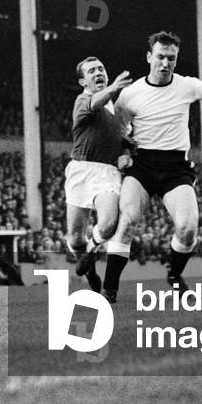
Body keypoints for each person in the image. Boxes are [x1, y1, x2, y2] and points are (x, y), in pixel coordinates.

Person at [98, 31, 202, 303]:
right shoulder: (129, 95)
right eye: (160, 56)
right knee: (127, 220)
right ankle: (110, 289)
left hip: (175, 167)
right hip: (141, 165)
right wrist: (123, 154)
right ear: (149, 57)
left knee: (187, 227)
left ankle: (174, 275)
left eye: (171, 58)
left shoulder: (187, 85)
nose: (165, 63)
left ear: (176, 60)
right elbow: (118, 132)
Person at [65, 56, 134, 292]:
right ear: (83, 81)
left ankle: (90, 251)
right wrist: (114, 87)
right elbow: (94, 104)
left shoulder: (118, 111)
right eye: (92, 71)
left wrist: (126, 153)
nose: (98, 73)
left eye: (101, 68)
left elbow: (124, 140)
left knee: (108, 224)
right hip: (82, 170)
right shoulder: (83, 100)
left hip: (108, 172)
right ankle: (91, 273)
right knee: (75, 238)